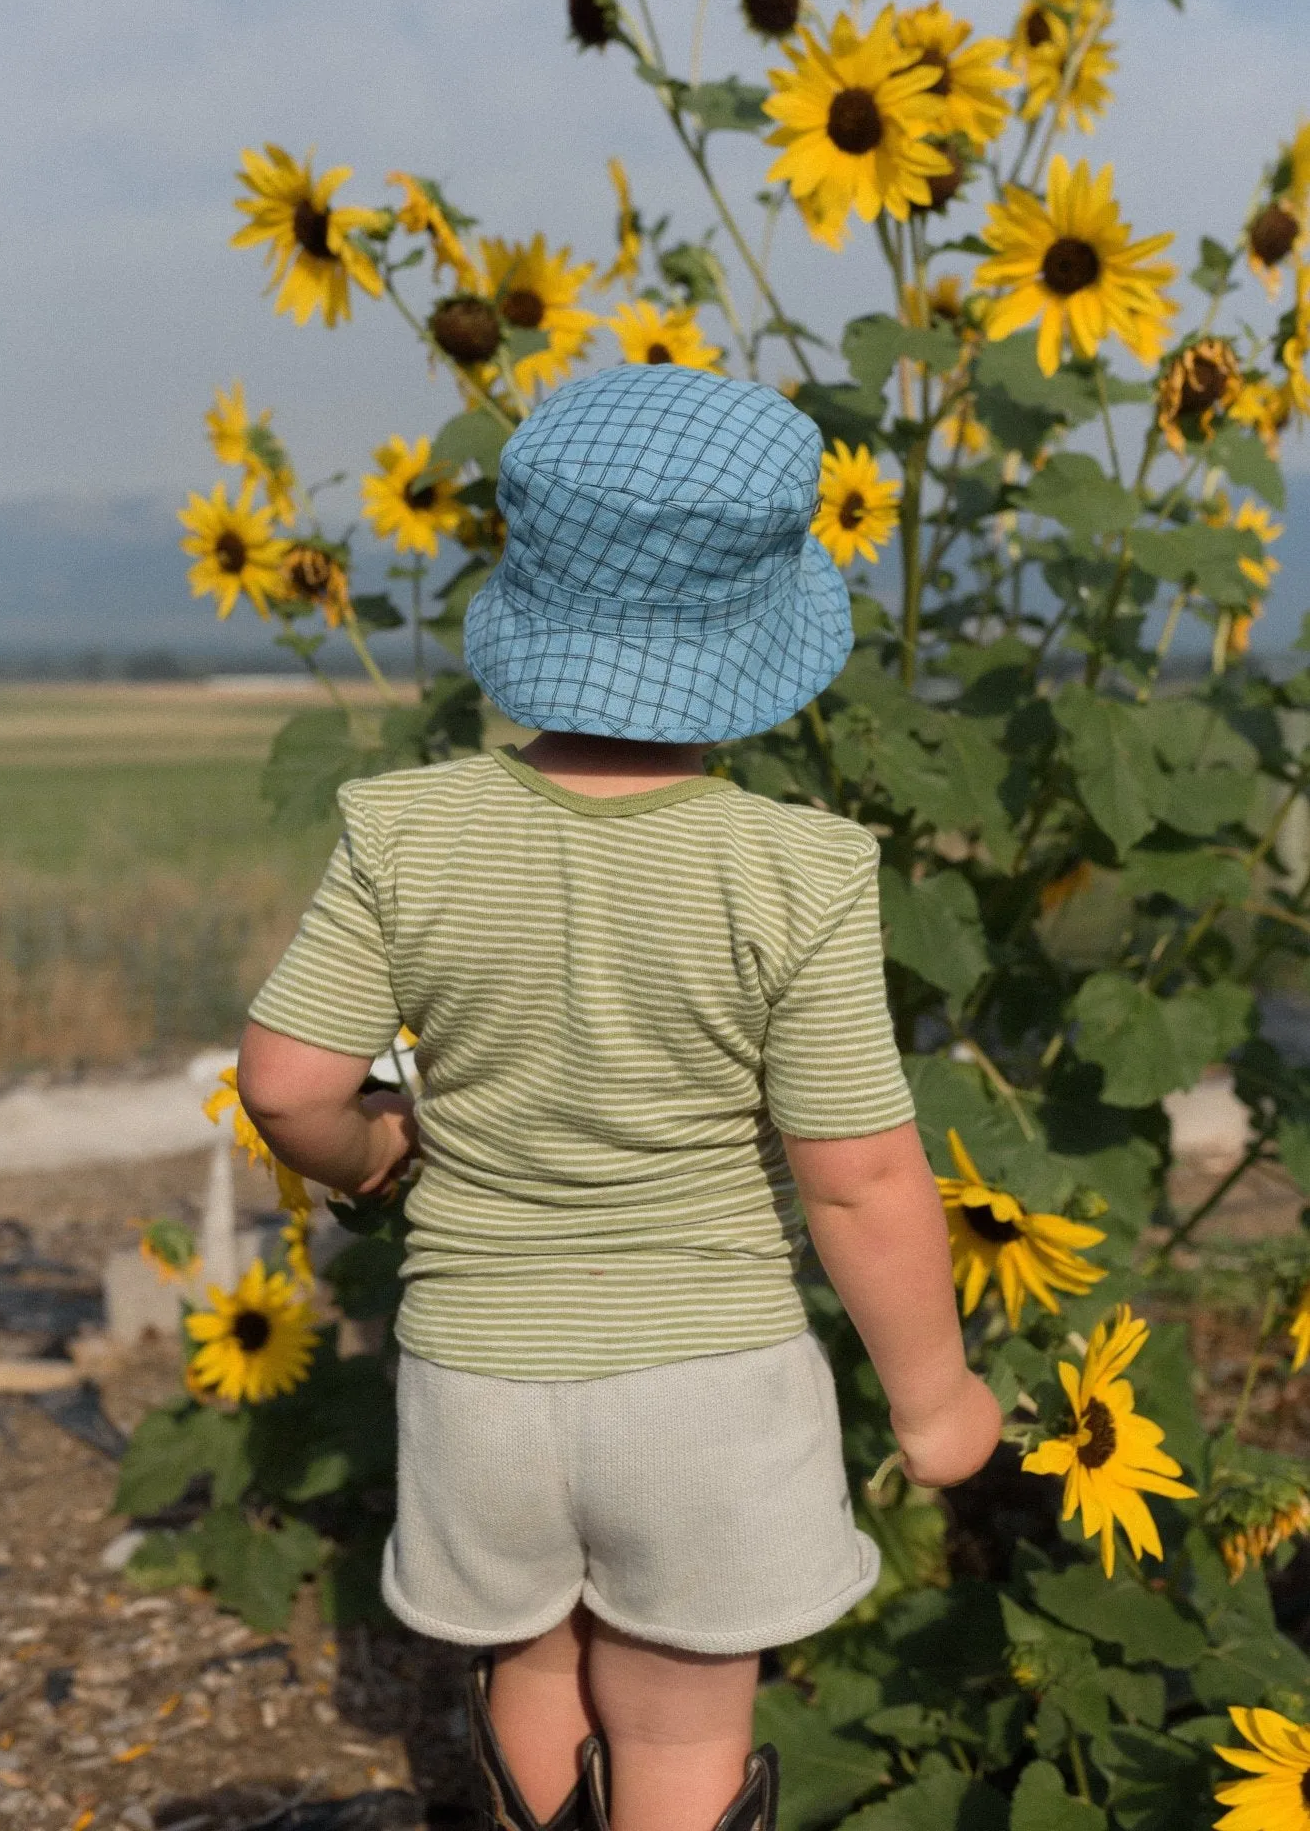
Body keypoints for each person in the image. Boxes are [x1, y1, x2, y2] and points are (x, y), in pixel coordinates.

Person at [236, 364, 1001, 1831]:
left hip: (478, 1378)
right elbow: (857, 1177)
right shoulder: (799, 870)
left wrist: (372, 1154)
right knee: (675, 1720)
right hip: (705, 1389)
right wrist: (937, 1401)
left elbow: (286, 1081)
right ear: (754, 638)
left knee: (532, 1663)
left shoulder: (409, 830)